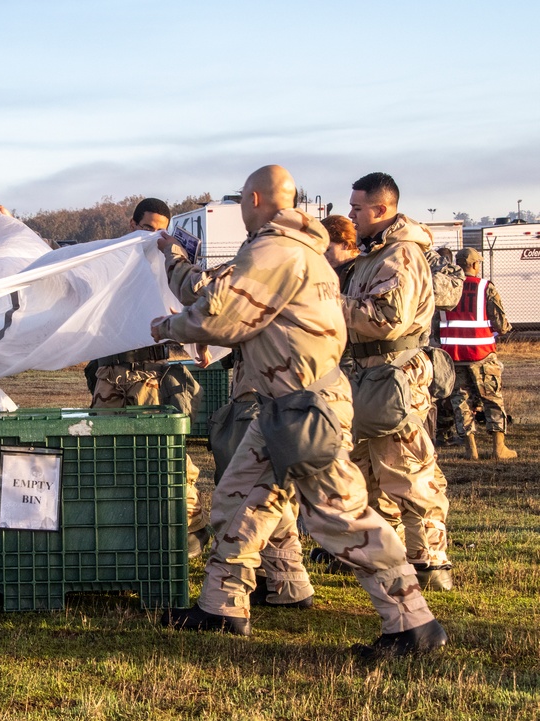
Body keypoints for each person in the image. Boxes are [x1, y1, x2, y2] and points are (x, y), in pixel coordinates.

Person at [154, 165, 446, 657]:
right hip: (281, 408)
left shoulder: (275, 249)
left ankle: (412, 623)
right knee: (239, 500)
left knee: (340, 516)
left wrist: (166, 326)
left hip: (305, 409)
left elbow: (217, 317)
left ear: (253, 198)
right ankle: (221, 607)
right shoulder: (297, 247)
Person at [342, 172, 453, 592]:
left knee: (408, 472)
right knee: (369, 472)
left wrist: (327, 303)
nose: (350, 215)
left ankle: (429, 561)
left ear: (382, 209)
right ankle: (388, 553)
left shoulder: (400, 254)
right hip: (369, 376)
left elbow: (387, 319)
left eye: (357, 208)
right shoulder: (374, 253)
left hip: (393, 376)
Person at [87, 197, 210, 558]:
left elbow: (191, 303)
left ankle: (192, 532)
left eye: (160, 229)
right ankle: (120, 535)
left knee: (167, 456)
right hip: (111, 371)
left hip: (154, 373)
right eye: (146, 228)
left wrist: (198, 342)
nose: (152, 235)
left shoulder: (172, 263)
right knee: (106, 456)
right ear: (131, 224)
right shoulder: (110, 262)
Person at [440, 247, 517, 460]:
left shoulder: (445, 288)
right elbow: (500, 323)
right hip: (482, 353)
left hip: (453, 354)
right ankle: (499, 448)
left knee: (460, 400)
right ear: (474, 265)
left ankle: (470, 449)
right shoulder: (485, 287)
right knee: (492, 397)